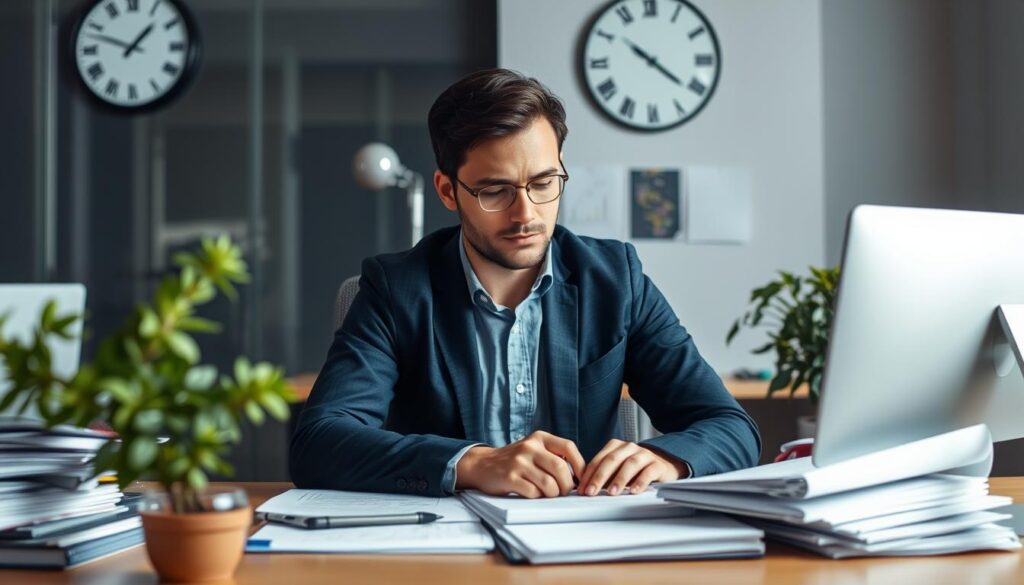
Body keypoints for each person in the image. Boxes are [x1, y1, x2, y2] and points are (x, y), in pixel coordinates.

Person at [290, 68, 760, 499]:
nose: (527, 214)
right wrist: (471, 462)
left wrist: (667, 457)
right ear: (447, 191)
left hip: (581, 541)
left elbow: (730, 427)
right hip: (444, 547)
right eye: (495, 191)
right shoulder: (397, 288)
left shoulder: (616, 279)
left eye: (543, 182)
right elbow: (320, 441)